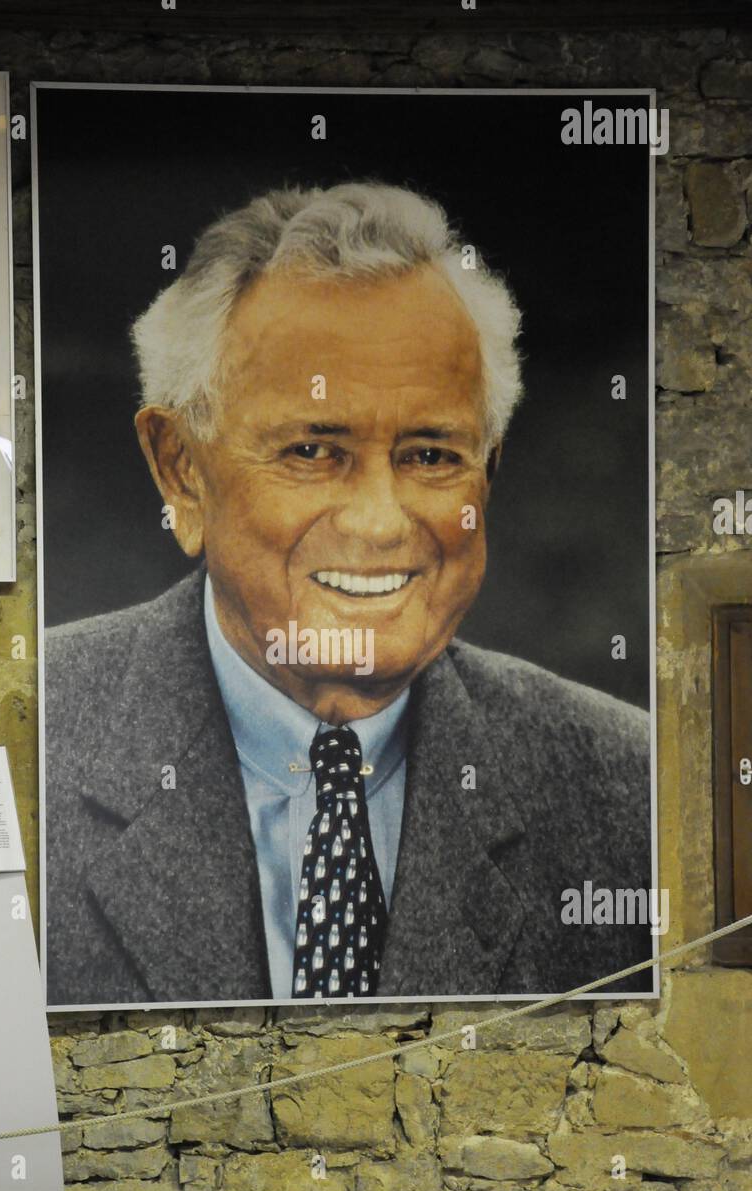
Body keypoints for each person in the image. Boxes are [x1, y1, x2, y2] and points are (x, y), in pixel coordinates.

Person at [44, 181, 653, 1007]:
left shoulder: (629, 791)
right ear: (180, 471)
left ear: (490, 471)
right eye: (311, 450)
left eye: (431, 455)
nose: (376, 523)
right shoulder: (25, 750)